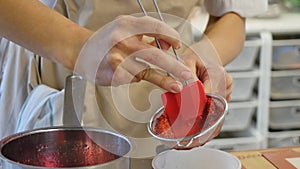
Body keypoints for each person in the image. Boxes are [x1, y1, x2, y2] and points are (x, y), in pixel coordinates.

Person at [0, 0, 268, 168]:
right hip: (56, 68)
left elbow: (231, 14)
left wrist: (204, 55)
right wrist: (78, 46)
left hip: (165, 82)